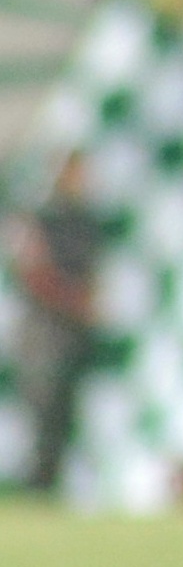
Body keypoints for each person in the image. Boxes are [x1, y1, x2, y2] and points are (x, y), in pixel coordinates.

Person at [8, 155, 100, 496]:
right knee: (42, 416)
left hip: (73, 334)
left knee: (65, 418)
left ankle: (51, 489)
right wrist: (77, 301)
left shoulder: (85, 219)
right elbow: (33, 272)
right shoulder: (40, 217)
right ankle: (35, 488)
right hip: (43, 334)